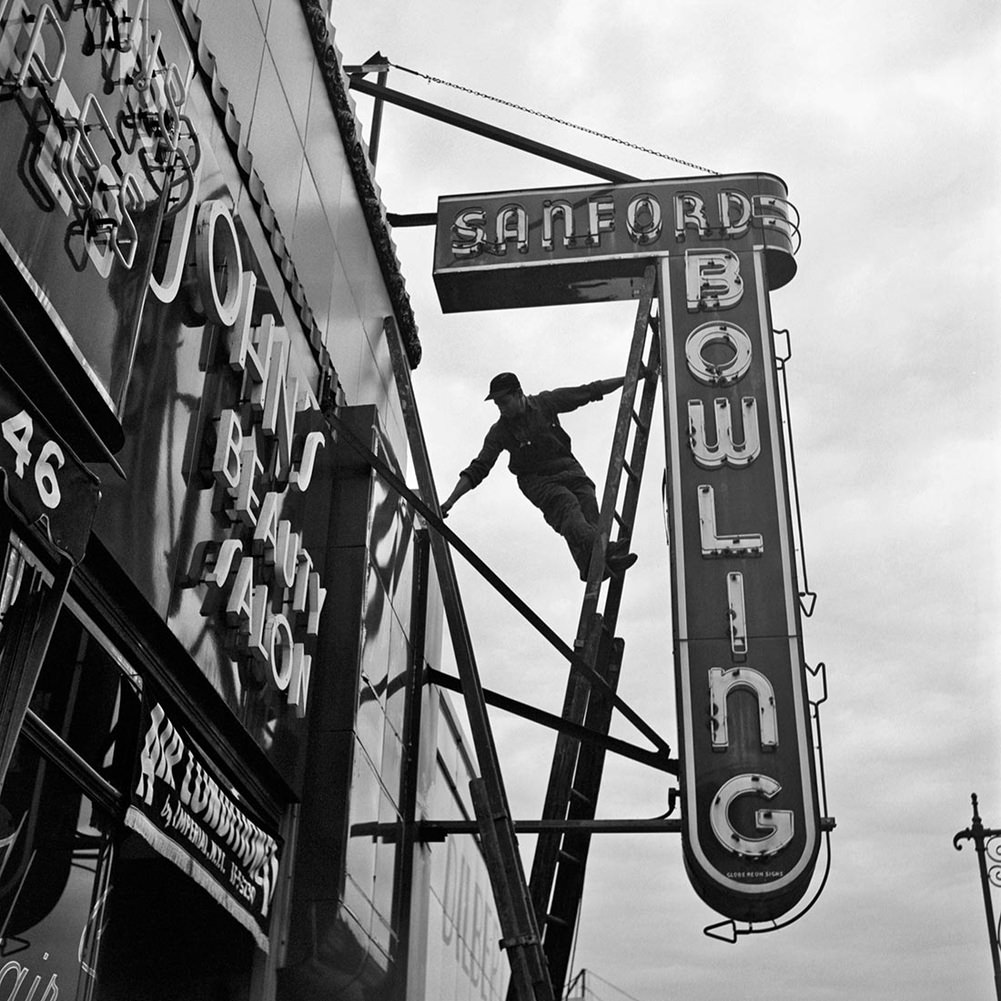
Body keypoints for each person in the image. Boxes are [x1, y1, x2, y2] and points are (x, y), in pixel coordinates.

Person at [440, 372, 638, 581]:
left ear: (519, 394)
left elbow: (588, 391)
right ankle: (604, 549)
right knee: (567, 507)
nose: (501, 409)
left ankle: (592, 563)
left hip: (567, 467)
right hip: (537, 480)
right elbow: (479, 468)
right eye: (497, 405)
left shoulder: (546, 404)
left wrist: (631, 378)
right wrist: (449, 502)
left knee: (587, 501)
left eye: (504, 402)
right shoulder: (499, 432)